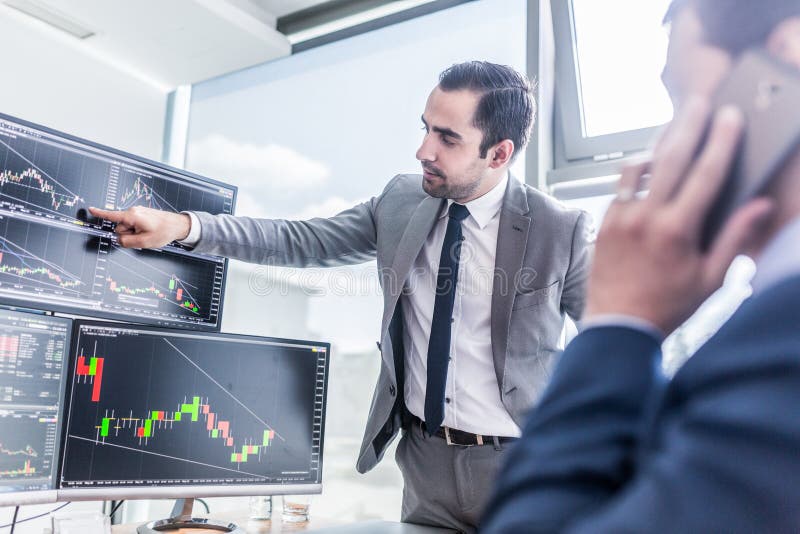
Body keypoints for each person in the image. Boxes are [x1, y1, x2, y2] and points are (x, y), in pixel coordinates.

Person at [89, 61, 594, 533]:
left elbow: (614, 343)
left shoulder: (560, 230)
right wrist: (182, 226)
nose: (424, 151)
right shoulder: (403, 199)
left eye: (447, 138)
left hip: (523, 465)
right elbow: (300, 239)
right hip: (426, 463)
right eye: (425, 128)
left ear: (499, 153)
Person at [481, 1, 800, 532]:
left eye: (678, 99)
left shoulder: (783, 343)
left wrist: (617, 321)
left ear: (784, 61)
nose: (665, 143)